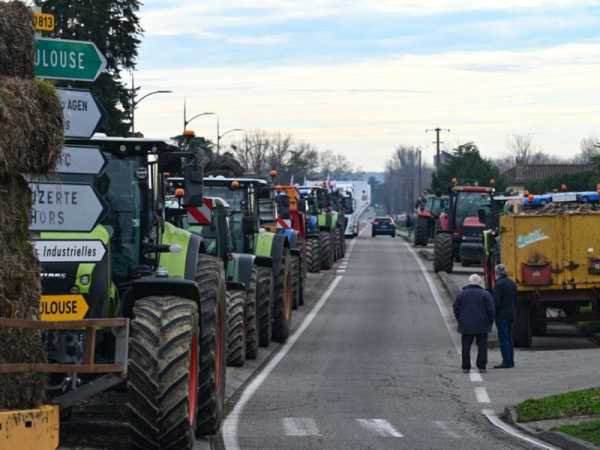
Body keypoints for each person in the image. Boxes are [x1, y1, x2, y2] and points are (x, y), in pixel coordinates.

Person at [453, 274, 495, 373]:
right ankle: (481, 366)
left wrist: (460, 319)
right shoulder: (485, 294)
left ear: (469, 282)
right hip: (482, 325)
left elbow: (456, 308)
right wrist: (489, 322)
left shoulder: (461, 294)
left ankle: (466, 367)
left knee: (466, 347)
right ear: (480, 283)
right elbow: (491, 310)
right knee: (482, 347)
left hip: (466, 325)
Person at [492, 264, 517, 368]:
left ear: (496, 273)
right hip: (511, 313)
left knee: (503, 338)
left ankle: (506, 361)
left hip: (501, 315)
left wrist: (492, 313)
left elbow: (496, 302)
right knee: (509, 338)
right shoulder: (512, 283)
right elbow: (515, 299)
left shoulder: (498, 284)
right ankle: (511, 360)